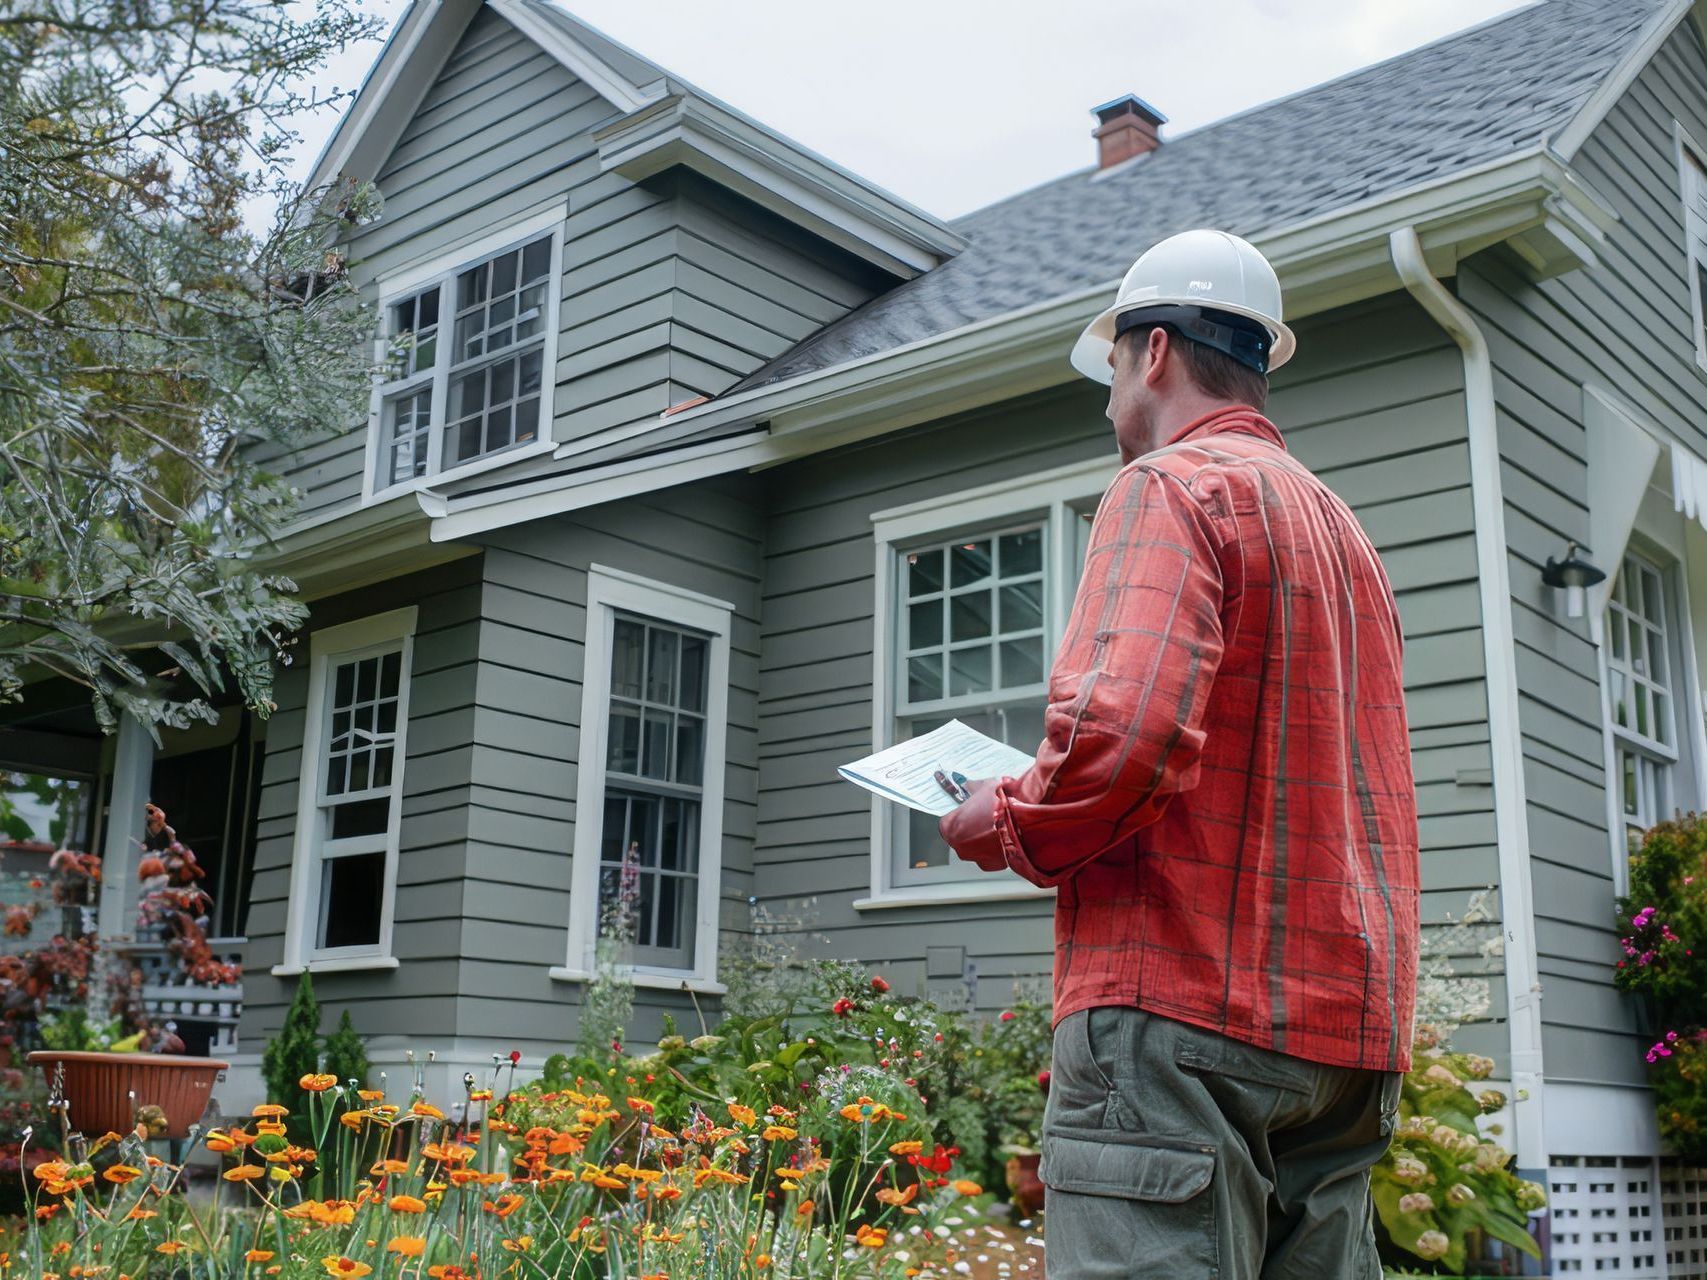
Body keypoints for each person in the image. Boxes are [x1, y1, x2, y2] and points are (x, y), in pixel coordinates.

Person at [937, 229, 1420, 1279]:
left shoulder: (1169, 486)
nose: (1109, 398)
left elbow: (1123, 737)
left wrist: (1007, 815)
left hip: (1180, 1013)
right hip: (1343, 1037)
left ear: (1152, 352)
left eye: (1110, 367)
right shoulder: (1346, 534)